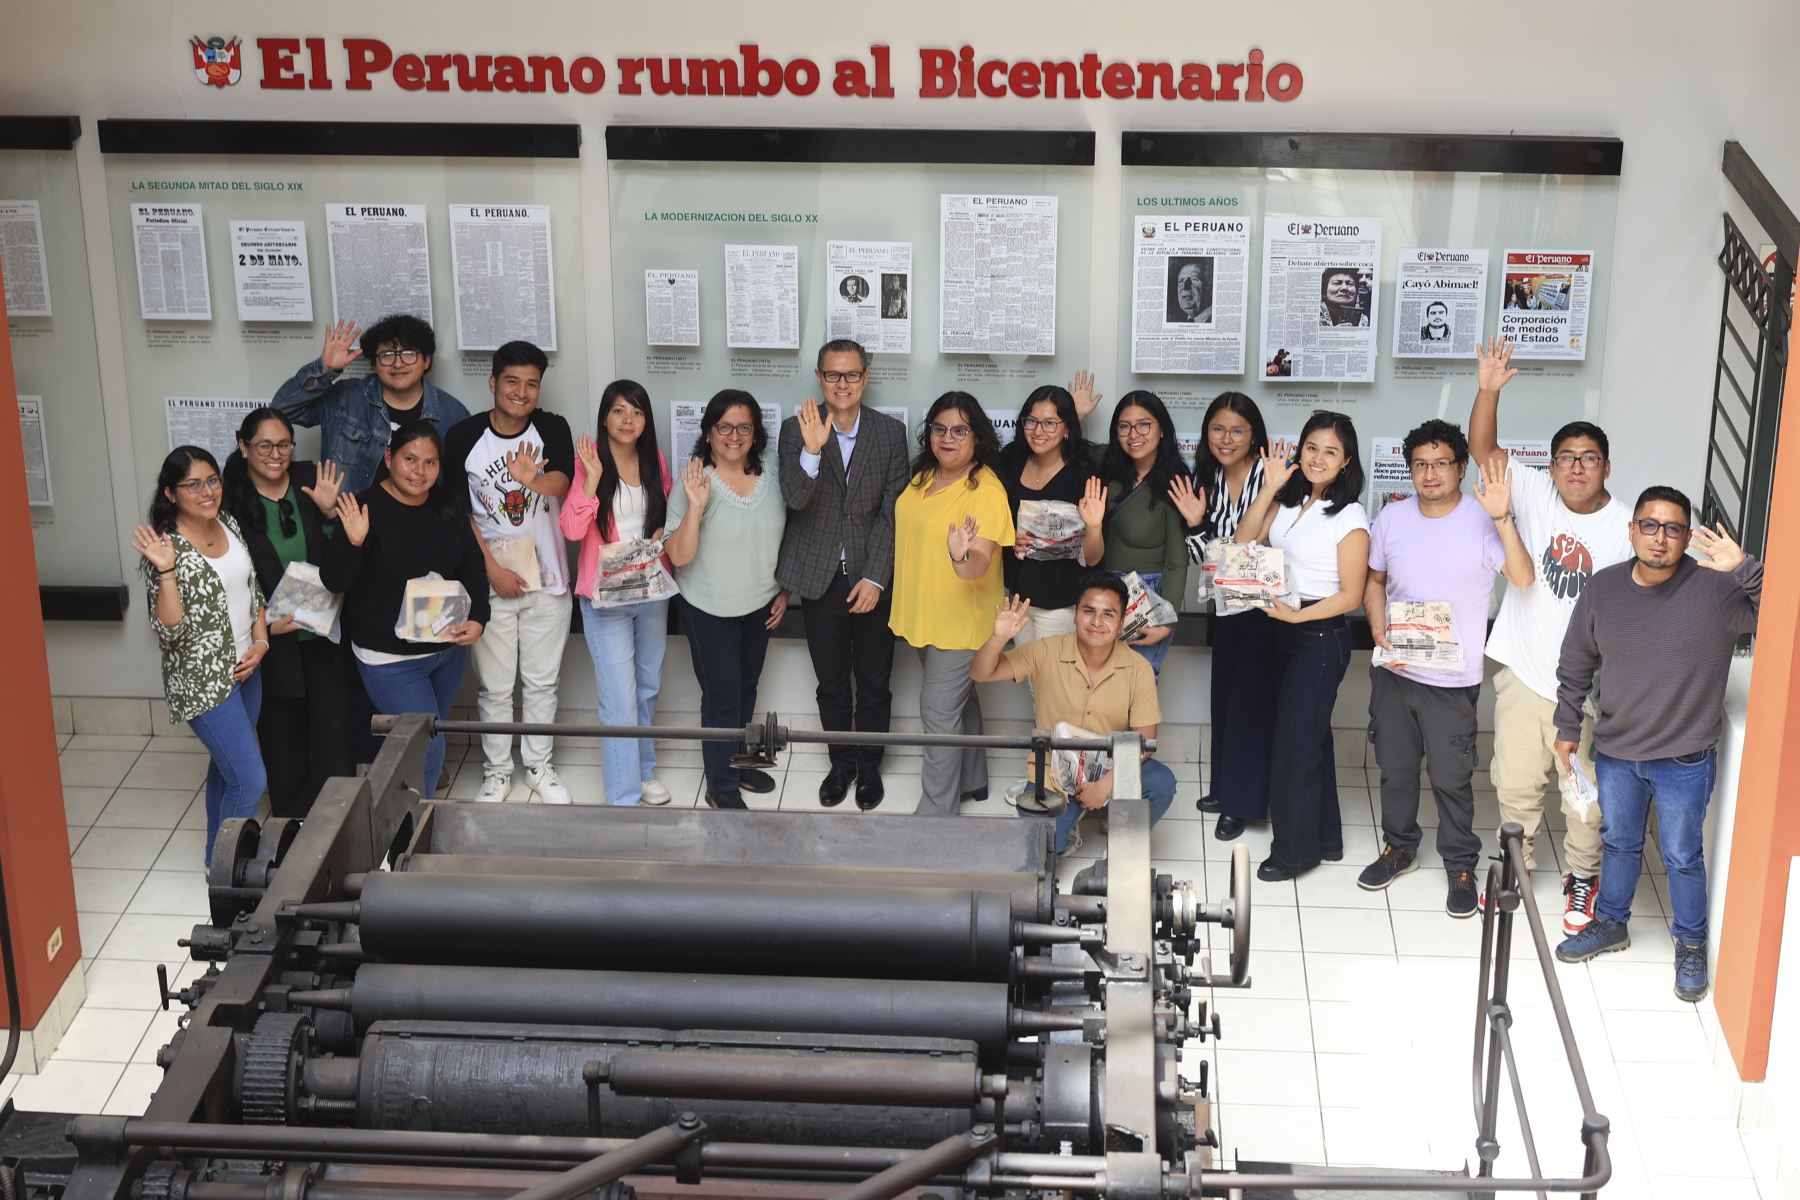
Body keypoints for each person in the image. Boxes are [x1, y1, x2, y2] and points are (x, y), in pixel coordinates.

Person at [1552, 490, 1761, 1002]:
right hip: (1619, 751)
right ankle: (1611, 923)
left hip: (1684, 757)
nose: (1660, 537)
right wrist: (1567, 725)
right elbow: (1576, 661)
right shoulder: (1603, 589)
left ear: (1687, 538)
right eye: (1650, 525)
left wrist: (1747, 569)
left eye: (1672, 529)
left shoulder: (1717, 590)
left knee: (1681, 855)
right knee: (1619, 842)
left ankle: (1690, 945)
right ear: (1632, 531)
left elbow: (1785, 621)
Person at [1469, 337, 1632, 933]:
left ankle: (1582, 878)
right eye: (1565, 457)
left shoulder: (1627, 526)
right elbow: (1483, 449)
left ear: (1606, 466)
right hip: (1522, 671)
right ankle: (1515, 862)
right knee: (1513, 782)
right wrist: (1488, 390)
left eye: (1588, 458)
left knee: (1583, 796)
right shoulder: (1534, 491)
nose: (1576, 467)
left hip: (1587, 692)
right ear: (1552, 463)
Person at [1357, 420, 1533, 918]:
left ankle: (1459, 865)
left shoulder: (1482, 518)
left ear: (1461, 467)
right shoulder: (1391, 518)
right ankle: (1400, 847)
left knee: (1452, 777)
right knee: (1394, 770)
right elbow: (1374, 581)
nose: (1429, 474)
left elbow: (1521, 576)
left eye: (1440, 464)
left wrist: (1501, 519)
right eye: (1420, 464)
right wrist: (1375, 626)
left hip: (1452, 681)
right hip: (1394, 669)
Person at [1228, 412, 1370, 879]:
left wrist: (1297, 615)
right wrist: (1269, 486)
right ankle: (1325, 838)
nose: (1318, 457)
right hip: (1282, 630)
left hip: (1319, 636)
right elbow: (1242, 542)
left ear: (1346, 461)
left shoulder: (1349, 516)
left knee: (1294, 747)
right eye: (1311, 447)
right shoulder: (1290, 501)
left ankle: (1294, 852)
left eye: (1330, 451)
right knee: (1310, 740)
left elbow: (1350, 595)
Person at [776, 340, 910, 810]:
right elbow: (794, 500)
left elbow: (892, 514)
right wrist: (812, 453)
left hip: (871, 574)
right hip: (819, 575)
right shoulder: (796, 430)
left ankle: (870, 764)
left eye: (851, 375)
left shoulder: (891, 434)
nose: (842, 384)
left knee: (874, 678)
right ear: (819, 377)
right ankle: (842, 761)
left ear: (866, 377)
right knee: (831, 680)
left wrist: (876, 577)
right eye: (833, 376)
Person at [322, 422, 488, 801]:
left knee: (429, 736)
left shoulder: (448, 503)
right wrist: (353, 542)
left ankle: (408, 800)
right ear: (388, 458)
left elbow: (473, 568)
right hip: (389, 660)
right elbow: (336, 581)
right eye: (410, 459)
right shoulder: (361, 508)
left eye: (430, 462)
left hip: (445, 651)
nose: (419, 471)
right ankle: (415, 831)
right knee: (426, 745)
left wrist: (479, 618)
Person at [442, 341, 575, 804]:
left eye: (532, 383)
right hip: (491, 578)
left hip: (550, 576)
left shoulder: (552, 428)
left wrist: (529, 479)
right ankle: (497, 770)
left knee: (542, 681)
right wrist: (490, 571)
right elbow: (461, 516)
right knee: (495, 686)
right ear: (493, 382)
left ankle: (539, 765)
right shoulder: (462, 437)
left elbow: (562, 482)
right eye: (512, 381)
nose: (522, 392)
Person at [132, 447, 271, 856]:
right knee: (249, 779)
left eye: (212, 480)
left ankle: (216, 857)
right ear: (170, 493)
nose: (207, 491)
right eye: (193, 484)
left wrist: (261, 642)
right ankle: (229, 869)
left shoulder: (226, 522)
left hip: (249, 670)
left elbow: (252, 588)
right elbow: (169, 630)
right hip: (204, 683)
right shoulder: (165, 546)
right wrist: (166, 570)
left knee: (226, 770)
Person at [971, 577, 1175, 854]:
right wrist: (998, 638)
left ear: (1121, 621)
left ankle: (1120, 833)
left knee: (1162, 783)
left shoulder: (1138, 669)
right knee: (1039, 856)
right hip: (1053, 772)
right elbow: (981, 672)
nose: (1096, 622)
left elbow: (1145, 741)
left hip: (1109, 766)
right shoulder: (1046, 650)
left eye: (1108, 614)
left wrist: (1105, 785)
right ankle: (1068, 824)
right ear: (1076, 614)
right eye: (1088, 611)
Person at [220, 407, 356, 819]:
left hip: (323, 633)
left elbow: (339, 562)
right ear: (244, 447)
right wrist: (263, 629)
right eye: (264, 445)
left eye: (284, 444)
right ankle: (292, 827)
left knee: (334, 737)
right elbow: (229, 582)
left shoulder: (311, 481)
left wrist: (331, 513)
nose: (276, 454)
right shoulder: (229, 504)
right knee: (284, 742)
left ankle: (336, 823)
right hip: (273, 642)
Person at [889, 392, 1016, 814]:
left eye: (959, 430)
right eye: (940, 429)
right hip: (928, 615)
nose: (947, 438)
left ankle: (936, 814)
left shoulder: (985, 491)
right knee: (962, 702)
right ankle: (972, 780)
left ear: (977, 438)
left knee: (938, 716)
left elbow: (979, 563)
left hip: (961, 624)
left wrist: (960, 554)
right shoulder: (925, 475)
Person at [666, 390, 789, 809]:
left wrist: (785, 589)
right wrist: (697, 507)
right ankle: (720, 786)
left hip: (760, 605)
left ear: (756, 433)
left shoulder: (772, 469)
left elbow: (789, 533)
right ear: (709, 431)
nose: (733, 436)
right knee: (721, 698)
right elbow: (679, 555)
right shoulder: (695, 480)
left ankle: (737, 763)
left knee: (746, 689)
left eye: (743, 427)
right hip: (708, 608)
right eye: (724, 427)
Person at [560, 380, 675, 807]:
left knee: (646, 687)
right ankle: (623, 797)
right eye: (619, 411)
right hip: (605, 598)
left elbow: (664, 516)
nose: (628, 421)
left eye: (637, 412)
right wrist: (591, 481)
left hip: (649, 590)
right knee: (619, 697)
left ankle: (643, 773)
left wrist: (658, 541)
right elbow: (572, 530)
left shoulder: (655, 461)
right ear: (604, 417)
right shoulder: (589, 463)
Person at [1168, 393, 1275, 838]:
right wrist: (1196, 524)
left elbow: (1246, 548)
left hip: (1266, 607)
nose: (1225, 439)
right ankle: (1223, 786)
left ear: (1254, 436)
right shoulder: (1205, 478)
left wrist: (1216, 543)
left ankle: (1242, 803)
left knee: (1251, 704)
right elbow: (1204, 557)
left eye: (1237, 431)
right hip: (1224, 604)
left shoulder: (1273, 477)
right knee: (1226, 698)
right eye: (1217, 429)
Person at [273, 315, 469, 495]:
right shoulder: (347, 397)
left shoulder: (452, 413)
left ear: (426, 361)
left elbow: (460, 487)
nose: (398, 364)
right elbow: (281, 411)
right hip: (346, 523)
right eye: (387, 355)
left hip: (422, 528)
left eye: (408, 353)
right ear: (374, 363)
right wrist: (325, 369)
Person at [996, 384, 1105, 643]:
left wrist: (1094, 526)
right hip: (1016, 598)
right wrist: (1008, 537)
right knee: (1028, 677)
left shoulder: (1083, 474)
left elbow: (1093, 558)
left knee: (1052, 681)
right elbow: (994, 516)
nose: (1038, 430)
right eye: (1031, 421)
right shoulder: (1011, 460)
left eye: (1049, 423)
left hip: (1061, 603)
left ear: (1067, 428)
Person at [1100, 391, 1192, 675]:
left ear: (1161, 429)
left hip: (1148, 595)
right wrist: (1074, 415)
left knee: (1136, 692)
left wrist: (1166, 620)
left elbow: (1178, 561)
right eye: (1124, 426)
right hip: (1102, 593)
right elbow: (1059, 446)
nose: (1133, 434)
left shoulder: (1175, 480)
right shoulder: (1106, 467)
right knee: (1098, 692)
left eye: (1144, 424)